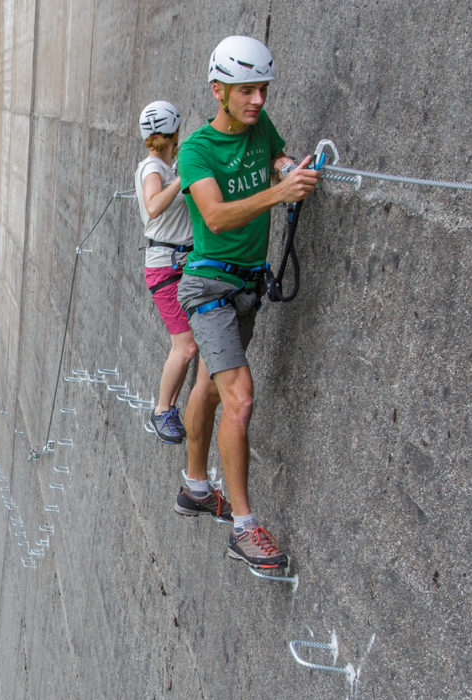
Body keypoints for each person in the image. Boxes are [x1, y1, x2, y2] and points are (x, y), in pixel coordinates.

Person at [172, 35, 318, 570]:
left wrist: (282, 168)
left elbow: (275, 154)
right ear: (219, 91)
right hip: (208, 288)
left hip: (247, 288)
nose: (258, 99)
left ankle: (193, 486)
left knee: (210, 386)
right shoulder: (196, 150)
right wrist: (280, 194)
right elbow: (214, 215)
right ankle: (244, 528)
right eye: (246, 90)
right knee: (241, 398)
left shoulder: (260, 128)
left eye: (263, 89)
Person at [134, 100, 197, 445]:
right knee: (185, 345)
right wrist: (182, 180)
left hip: (177, 263)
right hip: (167, 268)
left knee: (188, 343)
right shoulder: (153, 168)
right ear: (174, 132)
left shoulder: (162, 167)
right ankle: (161, 411)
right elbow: (155, 205)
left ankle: (168, 408)